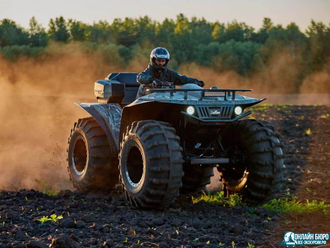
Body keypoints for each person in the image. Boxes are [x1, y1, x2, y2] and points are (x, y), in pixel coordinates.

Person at [136, 47, 204, 98]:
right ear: (153, 60)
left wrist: (196, 82)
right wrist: (152, 80)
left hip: (166, 103)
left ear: (166, 61)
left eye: (163, 61)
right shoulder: (148, 72)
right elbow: (140, 77)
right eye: (159, 61)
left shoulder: (170, 74)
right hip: (145, 102)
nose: (161, 63)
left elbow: (183, 79)